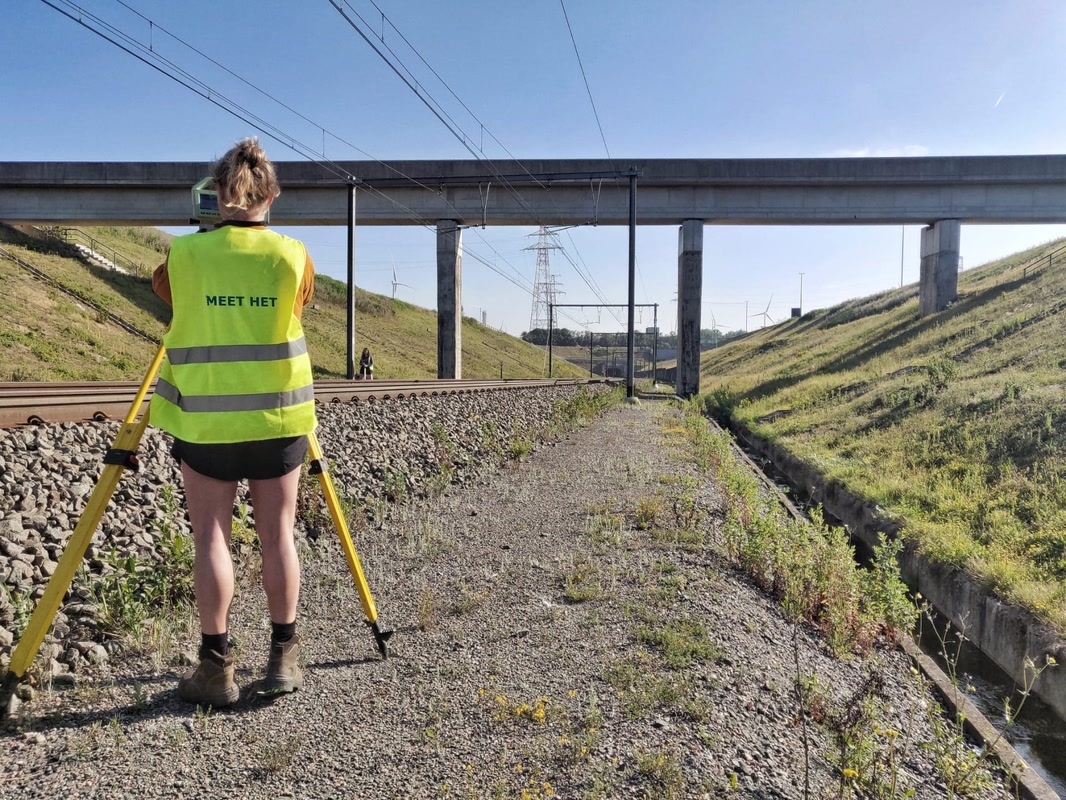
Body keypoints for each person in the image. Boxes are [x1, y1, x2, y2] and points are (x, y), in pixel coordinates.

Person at [150, 137, 317, 707]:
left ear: (217, 193)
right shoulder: (294, 255)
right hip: (278, 419)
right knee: (278, 536)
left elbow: (167, 294)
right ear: (272, 195)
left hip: (206, 425)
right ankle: (283, 657)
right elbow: (298, 302)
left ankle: (216, 670)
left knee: (211, 538)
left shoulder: (183, 254)